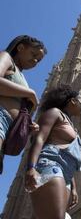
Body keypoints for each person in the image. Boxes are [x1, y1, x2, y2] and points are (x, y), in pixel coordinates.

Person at [6, 85, 81, 219]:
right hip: (49, 167)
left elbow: (70, 159)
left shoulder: (71, 123)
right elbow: (39, 139)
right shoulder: (54, 113)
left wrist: (73, 187)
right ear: (72, 101)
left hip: (64, 174)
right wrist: (31, 168)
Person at [0, 35, 46, 173]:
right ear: (20, 47)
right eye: (33, 54)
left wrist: (28, 124)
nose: (35, 61)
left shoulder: (21, 75)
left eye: (38, 60)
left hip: (8, 129)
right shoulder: (6, 57)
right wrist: (29, 93)